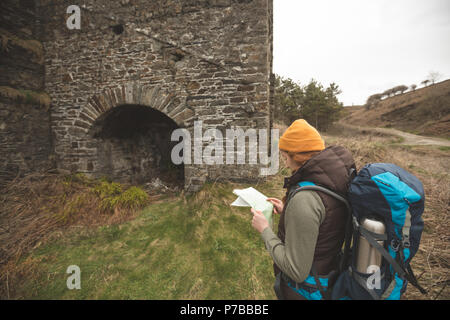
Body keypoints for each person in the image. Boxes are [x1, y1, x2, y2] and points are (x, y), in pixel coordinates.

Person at [251, 119, 356, 300]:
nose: (284, 162)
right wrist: (288, 212)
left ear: (296, 156)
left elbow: (296, 270)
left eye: (285, 157)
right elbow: (326, 220)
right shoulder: (334, 180)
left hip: (305, 291)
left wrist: (265, 230)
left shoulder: (305, 199)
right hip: (328, 274)